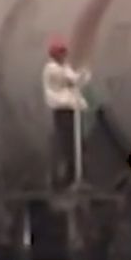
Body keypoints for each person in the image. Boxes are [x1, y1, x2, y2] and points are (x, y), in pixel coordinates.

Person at [42, 37, 90, 189]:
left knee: (76, 143)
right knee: (67, 143)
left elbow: (77, 80)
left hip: (73, 109)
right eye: (61, 52)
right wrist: (83, 72)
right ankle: (67, 176)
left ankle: (75, 172)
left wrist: (82, 75)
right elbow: (73, 80)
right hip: (62, 109)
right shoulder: (52, 69)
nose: (64, 55)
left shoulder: (64, 68)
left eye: (64, 52)